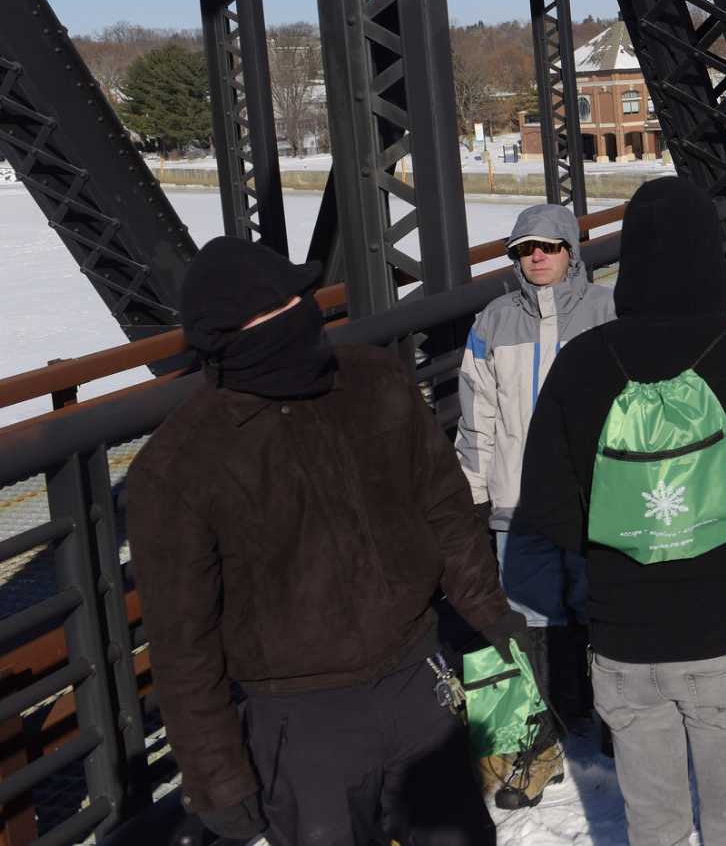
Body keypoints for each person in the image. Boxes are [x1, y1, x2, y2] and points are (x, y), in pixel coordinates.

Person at [130, 238, 518, 846]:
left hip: (419, 679)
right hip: (300, 722)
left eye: (298, 302)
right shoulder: (178, 465)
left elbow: (444, 508)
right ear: (224, 340)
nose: (295, 322)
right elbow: (184, 642)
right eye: (270, 316)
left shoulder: (375, 382)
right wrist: (217, 777)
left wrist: (493, 617)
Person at [514, 177, 726, 846]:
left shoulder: (580, 363)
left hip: (624, 641)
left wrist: (620, 539)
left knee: (654, 829)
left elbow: (547, 509)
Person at [456, 202, 615, 776]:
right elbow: (477, 417)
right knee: (526, 616)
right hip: (516, 502)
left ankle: (607, 722)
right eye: (525, 248)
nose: (537, 257)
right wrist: (474, 492)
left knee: (600, 606)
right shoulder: (492, 322)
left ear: (572, 251)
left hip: (593, 497)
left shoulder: (606, 310)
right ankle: (539, 731)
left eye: (549, 246)